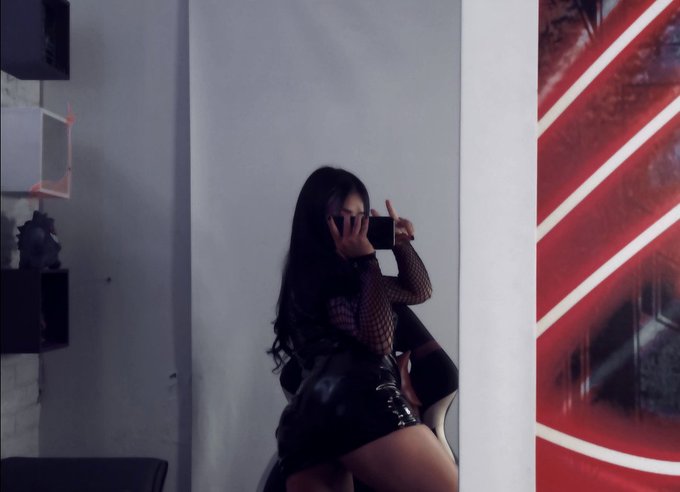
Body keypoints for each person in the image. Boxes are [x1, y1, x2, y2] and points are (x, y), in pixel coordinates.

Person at [269, 166, 458, 491]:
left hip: (308, 420)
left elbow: (418, 291)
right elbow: (379, 342)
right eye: (344, 219)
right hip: (359, 403)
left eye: (361, 217)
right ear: (318, 221)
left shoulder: (320, 275)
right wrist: (367, 261)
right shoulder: (325, 274)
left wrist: (400, 244)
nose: (356, 228)